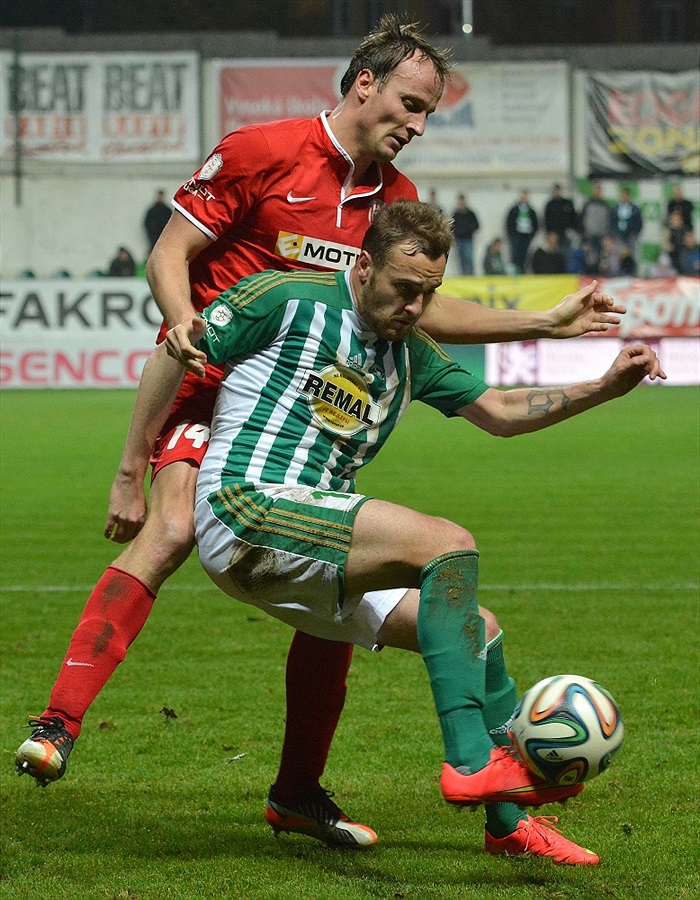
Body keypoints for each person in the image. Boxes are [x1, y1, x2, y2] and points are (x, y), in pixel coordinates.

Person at [16, 14, 625, 863]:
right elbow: (172, 250)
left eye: (428, 115)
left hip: (315, 417)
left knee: (360, 603)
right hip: (212, 375)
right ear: (363, 82)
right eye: (410, 104)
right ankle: (58, 721)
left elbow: (417, 303)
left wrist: (548, 329)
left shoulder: (397, 208)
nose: (415, 125)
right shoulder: (263, 151)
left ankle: (311, 795)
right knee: (172, 528)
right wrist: (185, 326)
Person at [156, 199, 664, 865]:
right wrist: (136, 466)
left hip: (306, 537)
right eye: (403, 288)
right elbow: (176, 347)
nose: (415, 307)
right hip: (245, 508)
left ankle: (508, 826)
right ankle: (468, 764)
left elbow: (502, 411)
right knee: (446, 543)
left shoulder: (409, 352)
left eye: (429, 293)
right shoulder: (287, 295)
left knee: (475, 631)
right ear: (364, 266)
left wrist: (603, 387)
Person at [579, 183, 611, 270]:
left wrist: (607, 234)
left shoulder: (605, 205)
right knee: (590, 258)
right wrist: (584, 232)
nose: (597, 192)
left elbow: (608, 220)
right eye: (595, 190)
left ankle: (599, 277)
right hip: (590, 234)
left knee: (602, 259)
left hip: (601, 235)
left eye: (599, 190)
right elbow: (581, 218)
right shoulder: (587, 204)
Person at [505, 190, 538, 274]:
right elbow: (509, 222)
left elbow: (535, 224)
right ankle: (515, 273)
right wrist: (512, 234)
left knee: (525, 257)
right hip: (516, 236)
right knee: (515, 256)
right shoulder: (514, 210)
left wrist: (531, 235)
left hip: (526, 237)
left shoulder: (531, 211)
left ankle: (522, 273)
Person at [543, 183, 577, 255]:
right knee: (553, 253)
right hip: (554, 233)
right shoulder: (550, 204)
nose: (557, 192)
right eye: (555, 190)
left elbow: (573, 217)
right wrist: (549, 233)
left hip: (566, 233)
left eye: (558, 190)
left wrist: (572, 229)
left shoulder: (567, 203)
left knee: (566, 253)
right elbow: (547, 219)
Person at [451, 193, 479, 275]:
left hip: (468, 239)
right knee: (461, 260)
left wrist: (469, 230)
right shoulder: (456, 214)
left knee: (469, 258)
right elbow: (451, 226)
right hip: (459, 240)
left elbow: (477, 225)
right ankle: (464, 275)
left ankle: (471, 275)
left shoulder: (471, 214)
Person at [612, 187, 643, 261]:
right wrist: (615, 233)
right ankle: (618, 272)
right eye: (623, 195)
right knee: (618, 256)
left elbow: (639, 222)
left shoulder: (635, 209)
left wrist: (635, 233)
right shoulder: (616, 208)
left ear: (629, 196)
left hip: (631, 236)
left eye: (626, 195)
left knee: (631, 257)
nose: (624, 197)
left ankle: (631, 271)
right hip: (619, 236)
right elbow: (613, 221)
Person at [661, 209, 689, 274]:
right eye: (674, 218)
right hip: (671, 252)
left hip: (683, 252)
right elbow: (664, 243)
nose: (676, 220)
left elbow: (689, 242)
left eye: (678, 219)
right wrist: (671, 248)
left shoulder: (685, 229)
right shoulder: (668, 230)